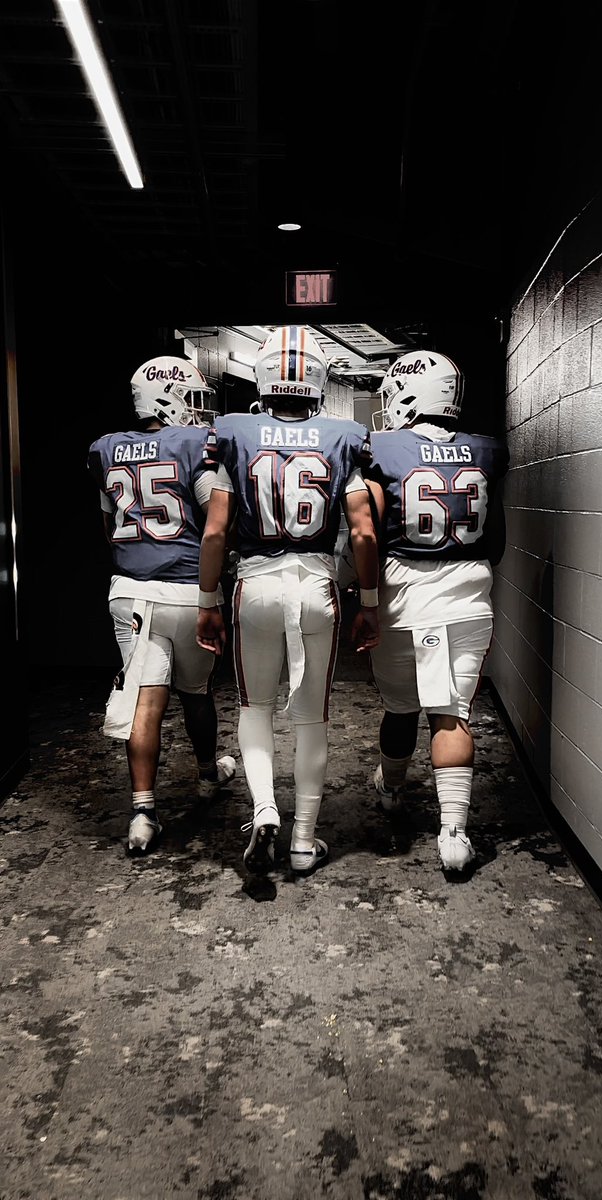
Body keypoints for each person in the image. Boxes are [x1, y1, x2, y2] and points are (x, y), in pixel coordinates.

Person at [197, 325, 380, 876]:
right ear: (318, 379)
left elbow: (214, 533)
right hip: (316, 586)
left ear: (264, 374)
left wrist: (208, 599)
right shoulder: (343, 436)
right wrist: (369, 602)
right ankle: (303, 840)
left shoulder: (234, 432)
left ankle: (264, 808)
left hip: (255, 585)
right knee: (312, 716)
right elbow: (365, 532)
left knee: (254, 706)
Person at [364, 349, 509, 873]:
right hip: (469, 598)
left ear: (405, 395)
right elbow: (496, 537)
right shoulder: (485, 450)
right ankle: (453, 835)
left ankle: (392, 793)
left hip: (403, 597)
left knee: (400, 708)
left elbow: (370, 534)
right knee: (452, 713)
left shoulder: (384, 448)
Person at [87, 356, 237, 853]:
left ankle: (143, 813)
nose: (196, 413)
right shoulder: (194, 444)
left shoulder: (107, 450)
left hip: (132, 590)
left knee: (145, 702)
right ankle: (205, 776)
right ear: (168, 399)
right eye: (190, 399)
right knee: (196, 692)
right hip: (188, 590)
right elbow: (216, 518)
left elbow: (110, 527)